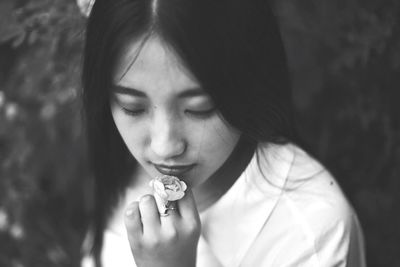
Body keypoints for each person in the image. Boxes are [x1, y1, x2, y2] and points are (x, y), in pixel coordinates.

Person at [80, 0, 366, 266]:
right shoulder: (123, 168)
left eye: (199, 108)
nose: (164, 147)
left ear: (249, 82)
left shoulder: (312, 231)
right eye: (133, 107)